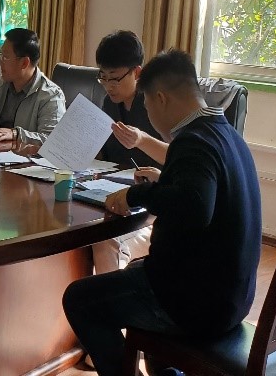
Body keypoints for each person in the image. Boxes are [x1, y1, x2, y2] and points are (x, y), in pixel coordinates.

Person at [63, 50, 262, 376]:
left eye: (148, 106)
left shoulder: (193, 141)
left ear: (160, 98)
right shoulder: (225, 133)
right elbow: (202, 193)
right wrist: (166, 182)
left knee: (80, 299)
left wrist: (135, 194)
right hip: (233, 297)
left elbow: (195, 207)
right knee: (136, 270)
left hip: (196, 304)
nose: (150, 116)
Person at [91, 31, 164, 275]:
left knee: (105, 237)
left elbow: (175, 158)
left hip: (149, 207)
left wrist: (142, 141)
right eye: (103, 77)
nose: (108, 86)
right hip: (113, 195)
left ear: (137, 72)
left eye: (115, 78)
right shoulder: (109, 103)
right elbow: (104, 155)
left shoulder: (156, 106)